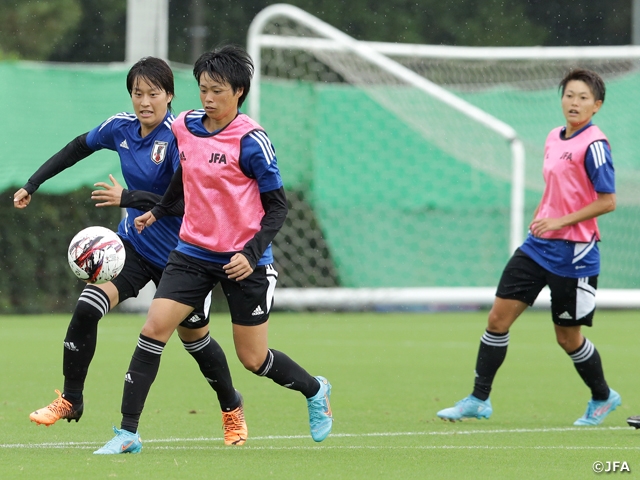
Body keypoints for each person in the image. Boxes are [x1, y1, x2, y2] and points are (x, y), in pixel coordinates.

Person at [94, 45, 333, 455]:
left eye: (217, 90)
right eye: (203, 89)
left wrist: (251, 253)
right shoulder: (185, 126)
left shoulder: (252, 141)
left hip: (245, 261)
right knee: (153, 330)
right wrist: (159, 211)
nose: (207, 98)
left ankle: (315, 389)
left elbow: (278, 207)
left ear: (238, 92)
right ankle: (127, 433)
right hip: (193, 253)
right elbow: (184, 175)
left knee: (253, 359)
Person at [14, 57, 246, 447]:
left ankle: (231, 407)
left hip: (183, 258)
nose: (144, 102)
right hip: (134, 247)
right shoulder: (120, 127)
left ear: (169, 96)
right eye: (138, 93)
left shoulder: (179, 137)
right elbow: (78, 147)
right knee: (87, 307)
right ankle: (71, 399)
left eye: (153, 93)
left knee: (195, 341)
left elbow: (184, 201)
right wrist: (32, 183)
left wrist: (129, 197)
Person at [437, 68, 619, 426]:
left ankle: (603, 396)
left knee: (567, 338)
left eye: (583, 98)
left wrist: (560, 221)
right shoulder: (553, 136)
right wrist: (543, 215)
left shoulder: (595, 145)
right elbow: (557, 188)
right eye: (569, 95)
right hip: (537, 246)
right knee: (497, 319)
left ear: (596, 105)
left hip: (575, 253)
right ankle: (478, 399)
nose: (574, 102)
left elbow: (608, 201)